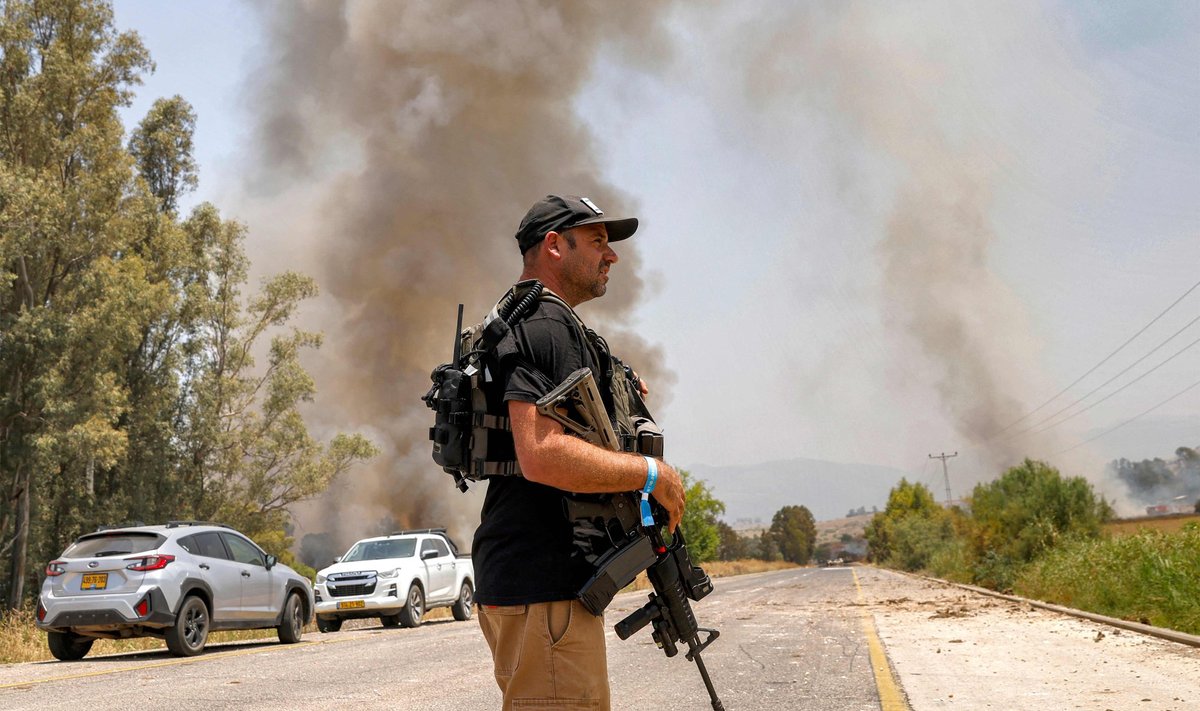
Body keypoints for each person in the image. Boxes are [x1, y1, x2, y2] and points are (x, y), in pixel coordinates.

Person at [472, 194, 686, 710]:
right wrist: (651, 474)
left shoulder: (520, 317)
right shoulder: (545, 325)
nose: (611, 256)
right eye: (596, 242)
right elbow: (541, 452)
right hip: (544, 588)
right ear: (553, 246)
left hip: (536, 585)